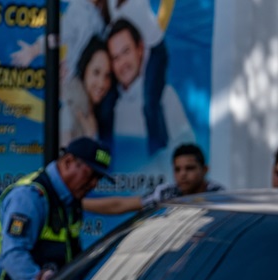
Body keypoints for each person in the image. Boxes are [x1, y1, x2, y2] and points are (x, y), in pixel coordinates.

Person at [0, 137, 112, 280]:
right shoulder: (30, 197)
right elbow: (13, 254)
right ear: (68, 162)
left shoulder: (68, 200)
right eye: (90, 174)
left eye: (99, 178)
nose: (94, 184)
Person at [106, 18, 194, 156]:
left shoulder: (164, 96)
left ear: (140, 48)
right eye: (116, 58)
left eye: (126, 52)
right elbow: (101, 157)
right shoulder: (109, 108)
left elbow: (187, 149)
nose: (122, 63)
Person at [83, 142, 223, 214]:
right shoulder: (166, 193)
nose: (183, 174)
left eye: (189, 168)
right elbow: (120, 205)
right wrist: (78, 204)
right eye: (177, 169)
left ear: (205, 170)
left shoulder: (219, 198)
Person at [106, 0, 169, 154]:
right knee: (106, 105)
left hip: (154, 49)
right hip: (125, 52)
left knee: (150, 103)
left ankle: (158, 152)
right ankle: (104, 158)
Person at [60, 35, 114, 147]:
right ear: (84, 69)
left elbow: (105, 159)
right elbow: (65, 159)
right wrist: (90, 138)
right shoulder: (70, 111)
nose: (102, 83)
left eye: (107, 75)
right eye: (96, 72)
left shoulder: (92, 112)